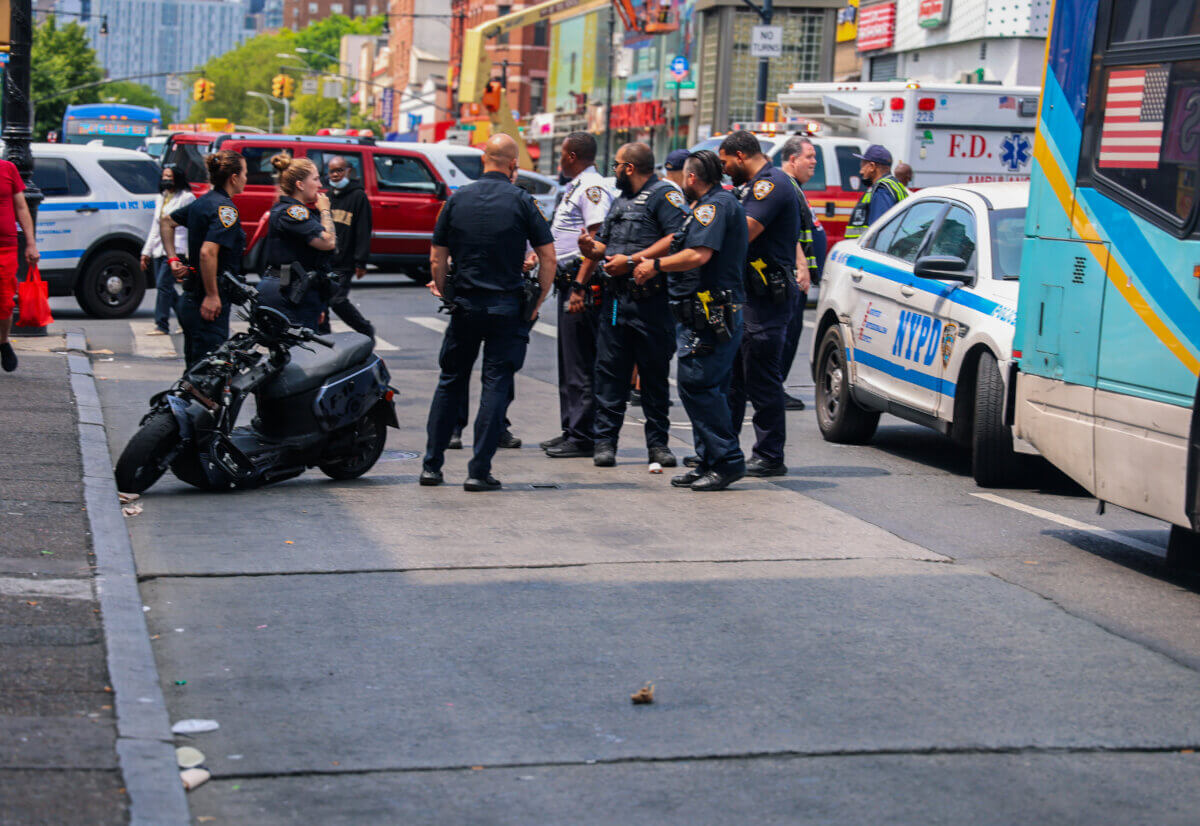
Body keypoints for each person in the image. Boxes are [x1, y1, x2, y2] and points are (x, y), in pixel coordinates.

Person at [420, 134, 555, 492]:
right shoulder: (523, 200)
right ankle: (478, 471)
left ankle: (431, 467)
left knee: (450, 381)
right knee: (496, 385)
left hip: (464, 306)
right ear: (513, 165)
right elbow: (548, 257)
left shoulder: (457, 199)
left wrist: (447, 292)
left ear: (483, 160)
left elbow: (437, 257)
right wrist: (538, 300)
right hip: (506, 308)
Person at [632, 150, 747, 491]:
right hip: (700, 312)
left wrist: (655, 266)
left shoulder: (715, 207)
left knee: (700, 386)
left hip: (710, 313)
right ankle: (708, 460)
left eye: (683, 175)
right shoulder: (705, 207)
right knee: (702, 387)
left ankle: (727, 461)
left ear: (692, 178)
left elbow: (698, 255)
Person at [578, 141, 689, 468]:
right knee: (610, 374)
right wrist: (591, 248)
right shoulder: (620, 200)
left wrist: (633, 260)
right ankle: (605, 443)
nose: (612, 170)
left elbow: (676, 237)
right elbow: (604, 244)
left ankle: (658, 446)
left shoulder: (664, 195)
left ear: (629, 167)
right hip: (616, 301)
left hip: (651, 302)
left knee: (654, 377)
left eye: (616, 165)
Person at [718, 130, 800, 478]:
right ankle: (724, 451)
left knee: (762, 379)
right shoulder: (749, 187)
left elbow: (744, 231)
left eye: (724, 162)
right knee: (734, 378)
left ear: (740, 155)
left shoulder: (771, 184)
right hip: (745, 295)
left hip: (765, 297)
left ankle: (769, 455)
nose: (724, 170)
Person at [541, 132, 611, 458]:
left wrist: (580, 286)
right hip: (568, 281)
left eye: (561, 155)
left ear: (571, 156)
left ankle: (583, 435)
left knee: (581, 362)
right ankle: (571, 428)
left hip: (581, 285)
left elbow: (596, 243)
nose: (558, 162)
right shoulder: (576, 187)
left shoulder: (593, 189)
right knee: (569, 362)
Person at [160, 150, 247, 367]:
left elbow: (166, 222)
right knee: (207, 377)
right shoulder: (225, 209)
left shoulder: (203, 202)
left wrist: (173, 260)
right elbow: (208, 252)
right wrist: (212, 295)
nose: (247, 179)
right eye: (245, 173)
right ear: (234, 178)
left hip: (191, 301)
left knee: (195, 371)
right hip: (206, 306)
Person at [257, 155, 337, 331]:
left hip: (300, 291)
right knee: (302, 354)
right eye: (315, 179)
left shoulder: (299, 212)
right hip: (289, 292)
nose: (320, 185)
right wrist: (325, 210)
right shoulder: (292, 212)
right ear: (300, 185)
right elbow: (328, 242)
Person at [779, 136, 827, 411]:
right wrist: (801, 266)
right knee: (785, 333)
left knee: (790, 332)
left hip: (796, 278)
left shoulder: (794, 188)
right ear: (793, 159)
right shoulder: (786, 187)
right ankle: (773, 386)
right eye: (809, 156)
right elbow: (788, 232)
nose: (814, 162)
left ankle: (774, 384)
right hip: (790, 277)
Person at [320, 155, 375, 338]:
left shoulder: (358, 196)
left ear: (348, 171)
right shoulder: (326, 196)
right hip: (326, 259)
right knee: (322, 300)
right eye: (332, 171)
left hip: (345, 260)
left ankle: (364, 329)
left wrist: (361, 261)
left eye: (339, 170)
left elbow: (363, 230)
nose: (335, 175)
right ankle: (324, 336)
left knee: (337, 300)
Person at [141, 165, 194, 336]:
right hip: (159, 248)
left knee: (164, 285)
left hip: (177, 248)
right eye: (164, 176)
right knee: (165, 287)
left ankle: (161, 324)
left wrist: (188, 254)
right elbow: (155, 228)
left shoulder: (187, 198)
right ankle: (187, 319)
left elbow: (191, 227)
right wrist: (146, 252)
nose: (166, 180)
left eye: (169, 176)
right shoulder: (161, 197)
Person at [0, 158, 40, 374]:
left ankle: (3, 341)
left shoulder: (8, 169)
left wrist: (31, 243)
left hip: (5, 247)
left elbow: (22, 206)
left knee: (5, 302)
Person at [844, 144, 910, 240]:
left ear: (872, 166)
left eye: (863, 165)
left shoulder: (882, 190)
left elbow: (879, 231)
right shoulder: (892, 185)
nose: (861, 171)